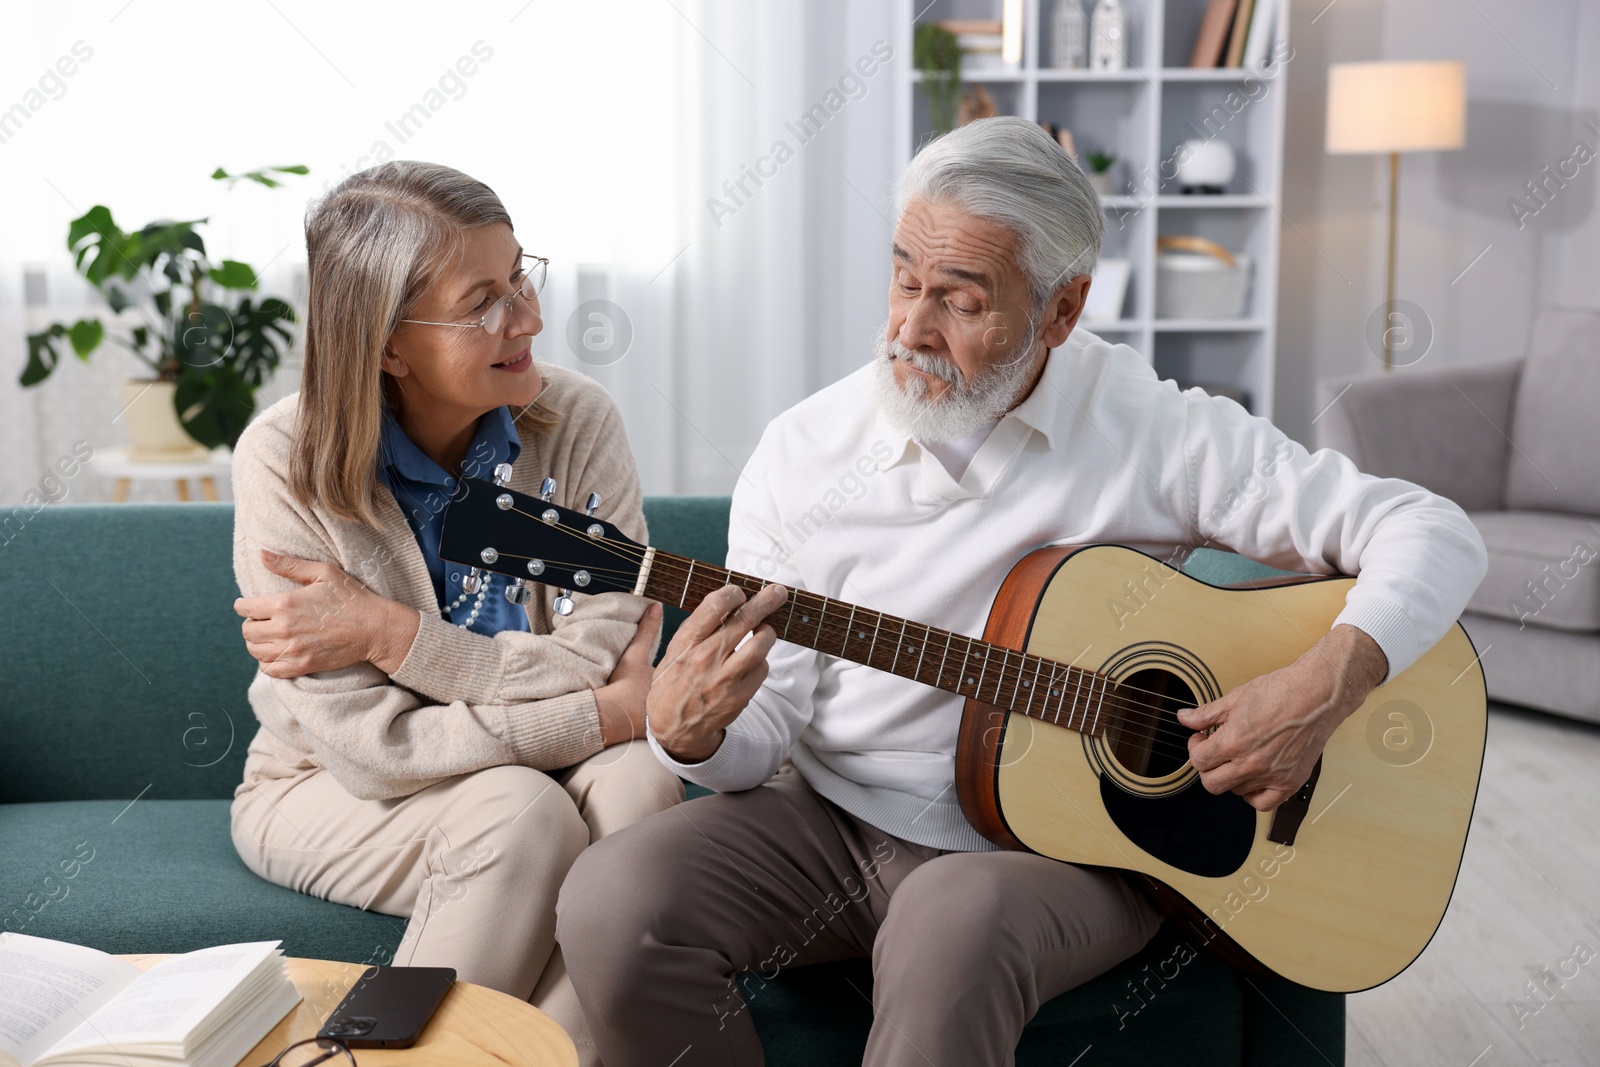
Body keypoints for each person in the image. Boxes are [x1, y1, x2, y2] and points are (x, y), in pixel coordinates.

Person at [555, 116, 1489, 1066]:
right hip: (838, 821)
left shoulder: (1150, 427)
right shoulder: (805, 454)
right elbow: (770, 720)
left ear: (1062, 309)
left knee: (950, 919)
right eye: (903, 278)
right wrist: (693, 732)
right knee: (612, 899)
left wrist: (1324, 684)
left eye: (960, 298)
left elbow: (1431, 529)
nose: (912, 328)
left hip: (1070, 856)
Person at [228, 160, 681, 1065]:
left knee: (643, 790)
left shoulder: (577, 421)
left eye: (521, 276)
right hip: (327, 784)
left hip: (550, 769)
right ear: (388, 344)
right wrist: (601, 715)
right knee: (519, 809)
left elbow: (601, 642)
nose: (530, 317)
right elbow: (370, 746)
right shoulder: (285, 459)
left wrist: (397, 637)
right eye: (485, 301)